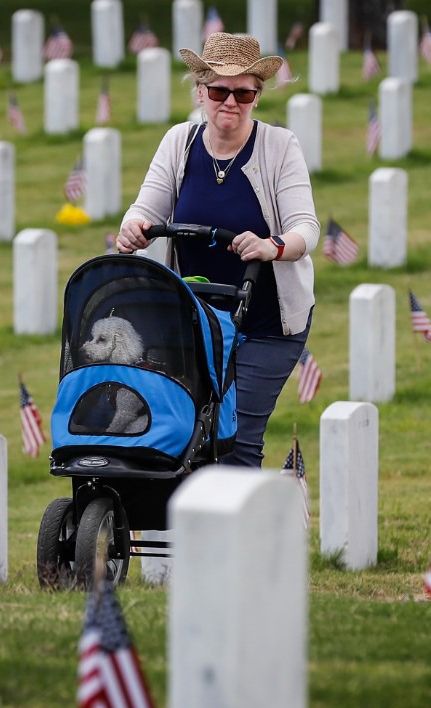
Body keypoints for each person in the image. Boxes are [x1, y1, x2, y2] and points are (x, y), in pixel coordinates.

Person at [116, 32, 320, 468]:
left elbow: (307, 228)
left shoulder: (280, 146)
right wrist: (133, 229)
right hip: (198, 322)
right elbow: (143, 208)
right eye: (218, 90)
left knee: (238, 441)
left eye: (244, 92)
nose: (231, 101)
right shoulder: (180, 142)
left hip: (267, 321)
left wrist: (272, 245)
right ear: (200, 91)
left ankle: (240, 535)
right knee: (188, 439)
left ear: (257, 96)